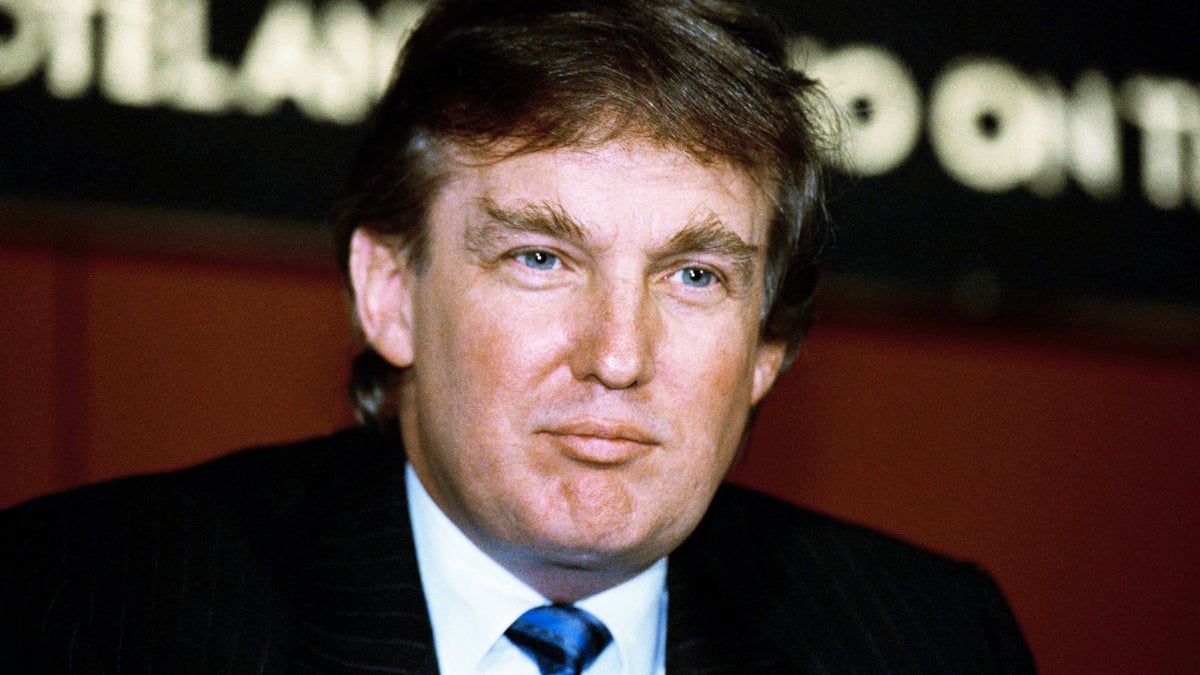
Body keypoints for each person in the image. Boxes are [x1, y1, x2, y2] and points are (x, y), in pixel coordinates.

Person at [0, 0, 1035, 672]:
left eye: (694, 275)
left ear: (767, 351)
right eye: (541, 257)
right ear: (390, 291)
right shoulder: (88, 610)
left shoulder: (927, 641)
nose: (618, 355)